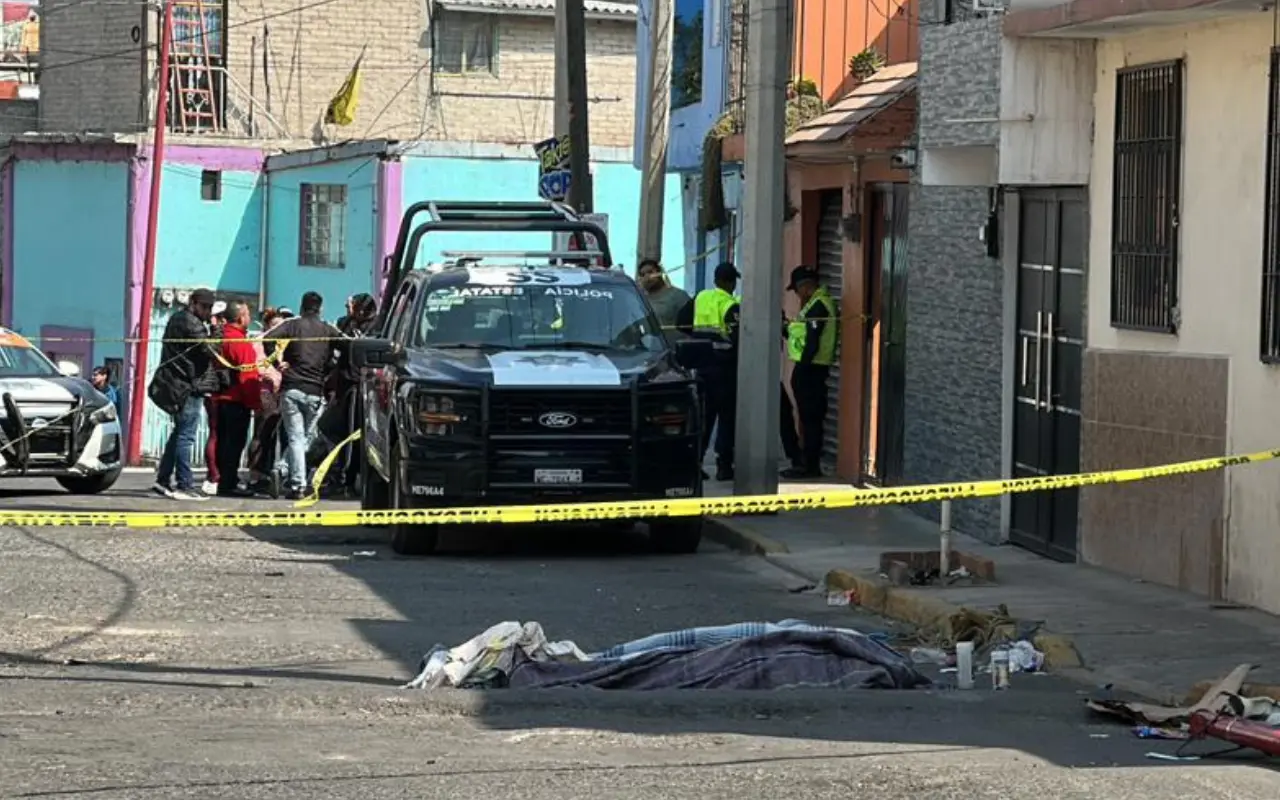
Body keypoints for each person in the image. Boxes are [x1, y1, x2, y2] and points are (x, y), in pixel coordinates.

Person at [264, 291, 343, 500]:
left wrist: (276, 363)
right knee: (305, 439)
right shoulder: (327, 329)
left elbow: (268, 338)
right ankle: (290, 476)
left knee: (297, 439)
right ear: (320, 308)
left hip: (292, 389)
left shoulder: (292, 325)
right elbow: (347, 345)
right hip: (315, 392)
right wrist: (329, 369)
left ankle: (290, 477)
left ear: (302, 307)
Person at [148, 287, 219, 501]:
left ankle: (162, 480)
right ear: (193, 303)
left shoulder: (178, 319)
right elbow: (210, 350)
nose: (207, 312)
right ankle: (184, 484)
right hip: (185, 386)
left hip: (178, 383)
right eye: (205, 307)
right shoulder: (191, 323)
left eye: (210, 308)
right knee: (186, 436)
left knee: (178, 433)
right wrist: (216, 332)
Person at [782, 266, 838, 479]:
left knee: (811, 420)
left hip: (812, 369)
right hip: (811, 368)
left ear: (805, 286)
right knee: (808, 418)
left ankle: (810, 466)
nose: (797, 295)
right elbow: (803, 336)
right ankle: (808, 463)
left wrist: (802, 369)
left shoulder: (819, 307)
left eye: (796, 290)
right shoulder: (815, 305)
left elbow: (813, 343)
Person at [690, 262, 741, 481]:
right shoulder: (731, 305)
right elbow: (739, 340)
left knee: (704, 418)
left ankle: (696, 464)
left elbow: (682, 320)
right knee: (727, 419)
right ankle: (724, 466)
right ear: (730, 282)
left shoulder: (701, 298)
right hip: (725, 369)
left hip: (702, 367)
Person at [210, 301, 262, 497]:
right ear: (240, 318)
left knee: (223, 442)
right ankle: (228, 482)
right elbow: (248, 376)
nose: (250, 318)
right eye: (248, 314)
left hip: (221, 398)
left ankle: (225, 480)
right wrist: (255, 403)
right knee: (234, 444)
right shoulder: (239, 342)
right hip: (236, 400)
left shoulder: (221, 338)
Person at [329, 293, 378, 495]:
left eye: (352, 306)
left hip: (359, 386)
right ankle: (342, 473)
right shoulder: (347, 324)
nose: (348, 309)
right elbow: (335, 342)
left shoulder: (374, 327)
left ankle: (348, 478)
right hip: (344, 387)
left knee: (354, 434)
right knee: (337, 430)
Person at [247, 308, 287, 496]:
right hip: (266, 391)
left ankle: (271, 473)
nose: (279, 329)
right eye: (275, 325)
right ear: (266, 326)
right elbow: (259, 366)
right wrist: (276, 374)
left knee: (276, 434)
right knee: (263, 431)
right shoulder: (260, 342)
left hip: (282, 392)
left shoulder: (284, 343)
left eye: (282, 325)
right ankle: (256, 474)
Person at [202, 301, 228, 495]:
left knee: (215, 433)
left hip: (212, 389)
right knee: (215, 433)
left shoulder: (210, 335)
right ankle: (213, 475)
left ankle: (214, 474)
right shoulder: (218, 336)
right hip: (215, 390)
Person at [637, 258, 693, 334]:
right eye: (643, 275)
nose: (647, 277)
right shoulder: (640, 301)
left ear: (660, 272)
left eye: (650, 272)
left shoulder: (678, 295)